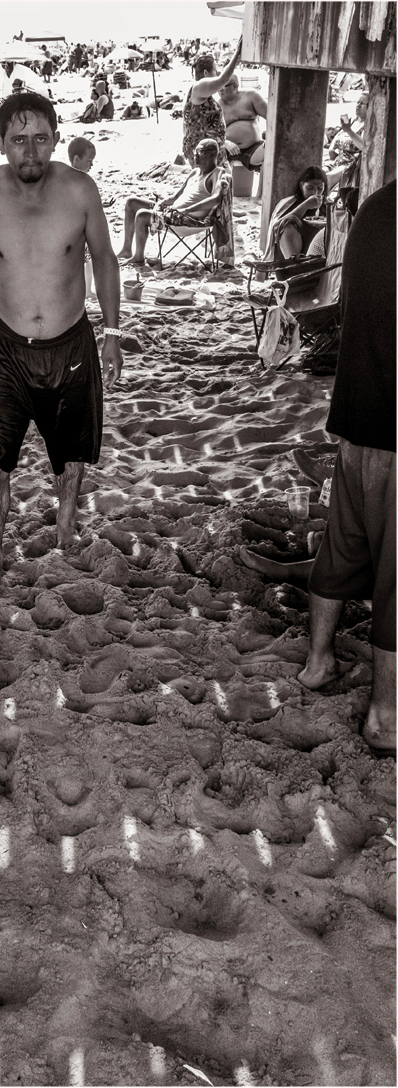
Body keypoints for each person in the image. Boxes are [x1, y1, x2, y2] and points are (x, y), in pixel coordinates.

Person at [0, 92, 122, 596]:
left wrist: (112, 332)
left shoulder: (80, 190)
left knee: (71, 454)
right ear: (1, 142)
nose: (31, 151)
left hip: (72, 344)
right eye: (19, 141)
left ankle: (66, 528)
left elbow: (105, 258)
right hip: (3, 347)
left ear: (56, 139)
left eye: (40, 139)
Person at [297, 178, 396, 756]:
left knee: (343, 550)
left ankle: (317, 662)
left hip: (357, 420)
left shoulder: (378, 209)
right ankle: (386, 717)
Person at [116, 138, 230, 267]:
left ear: (211, 154)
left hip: (187, 220)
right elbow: (176, 197)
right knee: (131, 202)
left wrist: (188, 210)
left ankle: (138, 257)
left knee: (142, 215)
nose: (195, 155)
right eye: (195, 151)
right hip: (172, 213)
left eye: (200, 151)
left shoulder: (217, 173)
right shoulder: (194, 172)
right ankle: (126, 250)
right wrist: (163, 202)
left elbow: (216, 198)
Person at [183, 38, 242, 167]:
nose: (217, 73)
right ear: (205, 73)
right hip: (205, 157)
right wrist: (237, 55)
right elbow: (223, 80)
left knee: (222, 184)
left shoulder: (203, 94)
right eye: (215, 70)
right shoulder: (199, 87)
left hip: (212, 154)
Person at [262, 165, 327, 261]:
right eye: (310, 188)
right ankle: (295, 267)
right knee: (288, 224)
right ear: (301, 185)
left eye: (320, 188)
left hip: (318, 257)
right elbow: (276, 227)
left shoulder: (327, 206)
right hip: (291, 258)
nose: (315, 193)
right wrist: (305, 205)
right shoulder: (288, 203)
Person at [68, 137, 99, 301]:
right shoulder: (73, 181)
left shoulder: (77, 180)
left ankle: (87, 289)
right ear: (76, 159)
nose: (91, 165)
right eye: (89, 161)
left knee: (87, 260)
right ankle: (86, 290)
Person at [218, 75, 267, 170]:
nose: (220, 90)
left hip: (253, 148)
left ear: (235, 86)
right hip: (225, 150)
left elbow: (271, 117)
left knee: (271, 150)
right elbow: (211, 133)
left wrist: (270, 136)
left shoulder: (251, 96)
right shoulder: (217, 106)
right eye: (218, 85)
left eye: (224, 85)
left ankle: (264, 185)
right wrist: (226, 143)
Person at [326, 92, 368, 190]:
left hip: (349, 165)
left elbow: (363, 146)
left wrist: (349, 131)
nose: (358, 105)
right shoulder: (352, 121)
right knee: (316, 174)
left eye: (362, 104)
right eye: (358, 102)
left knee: (326, 179)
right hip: (337, 161)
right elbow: (336, 142)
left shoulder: (367, 126)